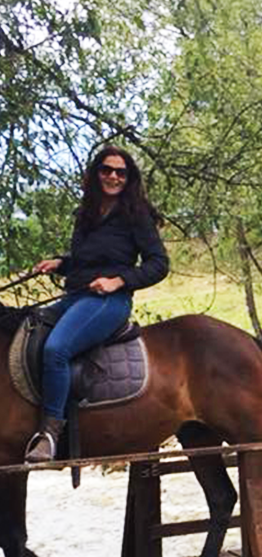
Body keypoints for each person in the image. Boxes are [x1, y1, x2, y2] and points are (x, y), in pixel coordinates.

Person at [25, 145, 169, 462]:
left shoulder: (136, 214)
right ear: (96, 173)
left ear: (128, 177)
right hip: (75, 296)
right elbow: (86, 260)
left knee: (56, 349)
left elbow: (158, 263)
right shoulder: (87, 213)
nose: (113, 177)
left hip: (110, 301)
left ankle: (50, 433)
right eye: (107, 169)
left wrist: (118, 281)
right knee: (26, 330)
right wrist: (61, 263)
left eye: (120, 172)